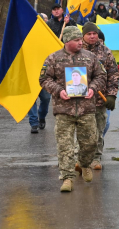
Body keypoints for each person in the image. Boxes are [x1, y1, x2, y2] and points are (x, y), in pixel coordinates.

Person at [40, 26, 107, 192]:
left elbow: (101, 75)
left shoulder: (90, 57)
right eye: (77, 40)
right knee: (65, 146)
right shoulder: (53, 58)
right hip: (64, 110)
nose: (80, 42)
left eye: (80, 40)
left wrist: (92, 88)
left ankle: (84, 164)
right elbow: (44, 79)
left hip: (86, 109)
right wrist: (58, 90)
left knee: (90, 143)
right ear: (67, 41)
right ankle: (67, 178)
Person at [79, 22, 119, 170]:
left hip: (99, 100)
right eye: (89, 34)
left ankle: (96, 158)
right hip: (79, 100)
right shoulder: (76, 50)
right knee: (82, 131)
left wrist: (112, 95)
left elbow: (114, 74)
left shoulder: (106, 52)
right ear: (83, 35)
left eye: (94, 33)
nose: (92, 36)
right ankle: (80, 157)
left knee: (98, 130)